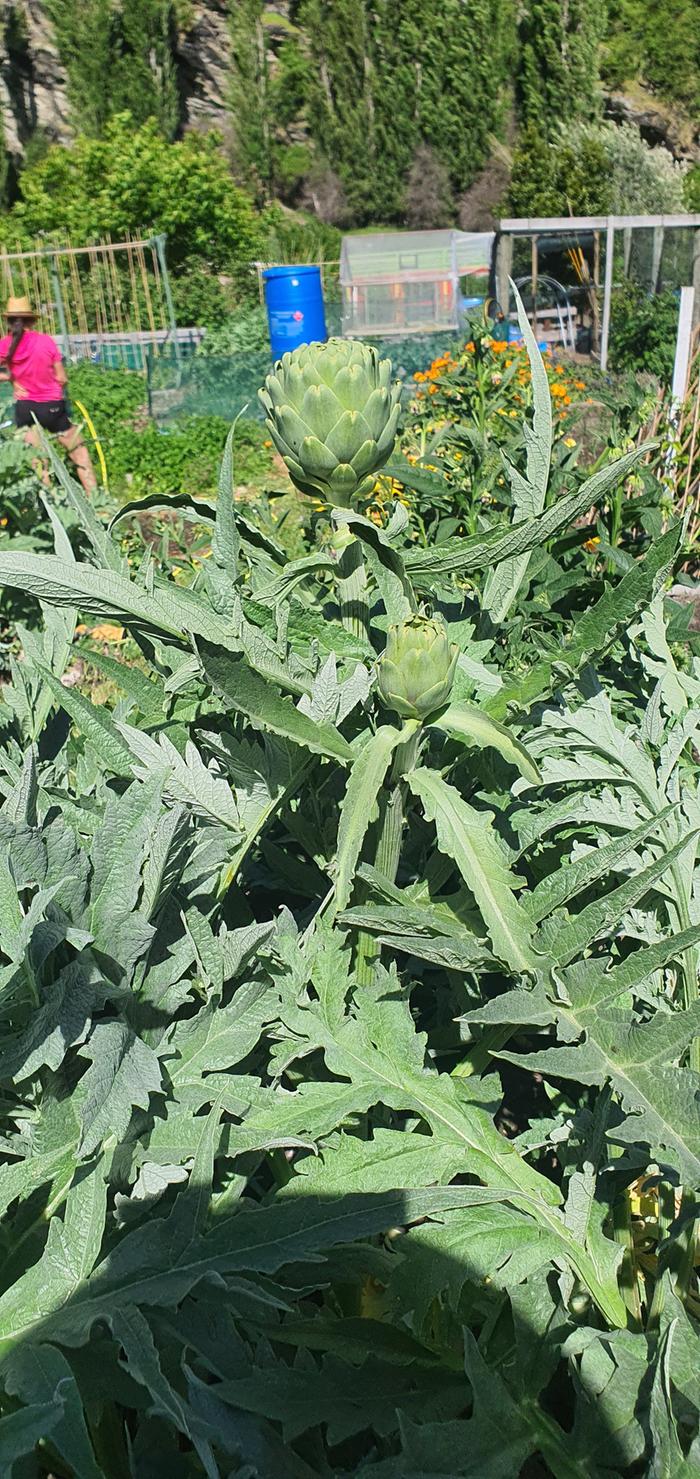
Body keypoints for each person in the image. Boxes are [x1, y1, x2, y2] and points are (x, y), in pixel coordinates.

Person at [0, 296, 97, 494]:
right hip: (51, 406)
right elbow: (61, 377)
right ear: (31, 320)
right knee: (77, 450)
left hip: (25, 407)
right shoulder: (45, 342)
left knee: (37, 457)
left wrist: (12, 379)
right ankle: (95, 498)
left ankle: (48, 503)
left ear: (9, 321)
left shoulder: (4, 345)